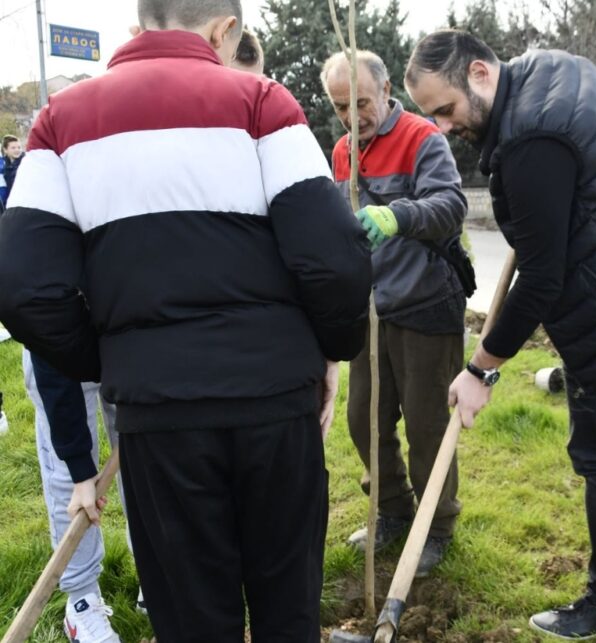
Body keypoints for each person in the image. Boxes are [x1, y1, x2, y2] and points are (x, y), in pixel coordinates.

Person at [0, 0, 372, 641]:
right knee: (289, 610)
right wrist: (332, 351)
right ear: (225, 29)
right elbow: (334, 258)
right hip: (274, 401)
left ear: (142, 23)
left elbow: (21, 283)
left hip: (158, 414)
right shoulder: (263, 103)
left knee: (193, 616)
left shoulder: (60, 122)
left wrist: (110, 357)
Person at [405, 31, 596, 639]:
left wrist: (481, 368)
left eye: (446, 109)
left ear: (481, 74)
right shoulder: (550, 69)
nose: (441, 127)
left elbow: (542, 280)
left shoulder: (529, 140)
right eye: (430, 115)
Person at [321, 49, 468, 577]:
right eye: (340, 107)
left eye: (360, 102)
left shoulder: (423, 138)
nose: (351, 117)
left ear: (386, 91)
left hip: (426, 303)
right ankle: (393, 510)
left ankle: (437, 526)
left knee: (429, 425)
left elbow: (451, 206)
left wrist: (397, 214)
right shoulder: (342, 151)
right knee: (365, 420)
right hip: (370, 310)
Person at [24, 351, 128, 642]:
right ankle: (82, 600)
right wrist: (79, 468)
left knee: (144, 457)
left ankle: (154, 571)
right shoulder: (43, 311)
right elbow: (36, 317)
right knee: (67, 478)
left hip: (128, 330)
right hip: (56, 346)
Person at [1, 134, 24, 208]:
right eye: (13, 148)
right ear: (5, 150)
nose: (17, 150)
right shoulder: (3, 167)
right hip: (10, 205)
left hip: (22, 204)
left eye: (19, 147)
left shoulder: (25, 164)